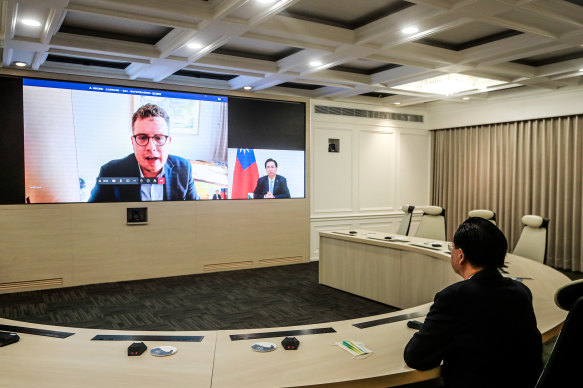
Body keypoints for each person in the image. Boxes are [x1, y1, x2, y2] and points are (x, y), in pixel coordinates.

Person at [403, 217, 542, 388]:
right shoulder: (521, 291)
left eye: (452, 247)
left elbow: (416, 357)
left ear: (460, 255)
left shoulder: (453, 297)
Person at [89, 104, 198, 202]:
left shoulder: (184, 168)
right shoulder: (110, 172)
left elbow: (197, 212)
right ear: (133, 142)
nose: (151, 147)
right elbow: (91, 215)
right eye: (142, 137)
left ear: (168, 142)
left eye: (159, 138)